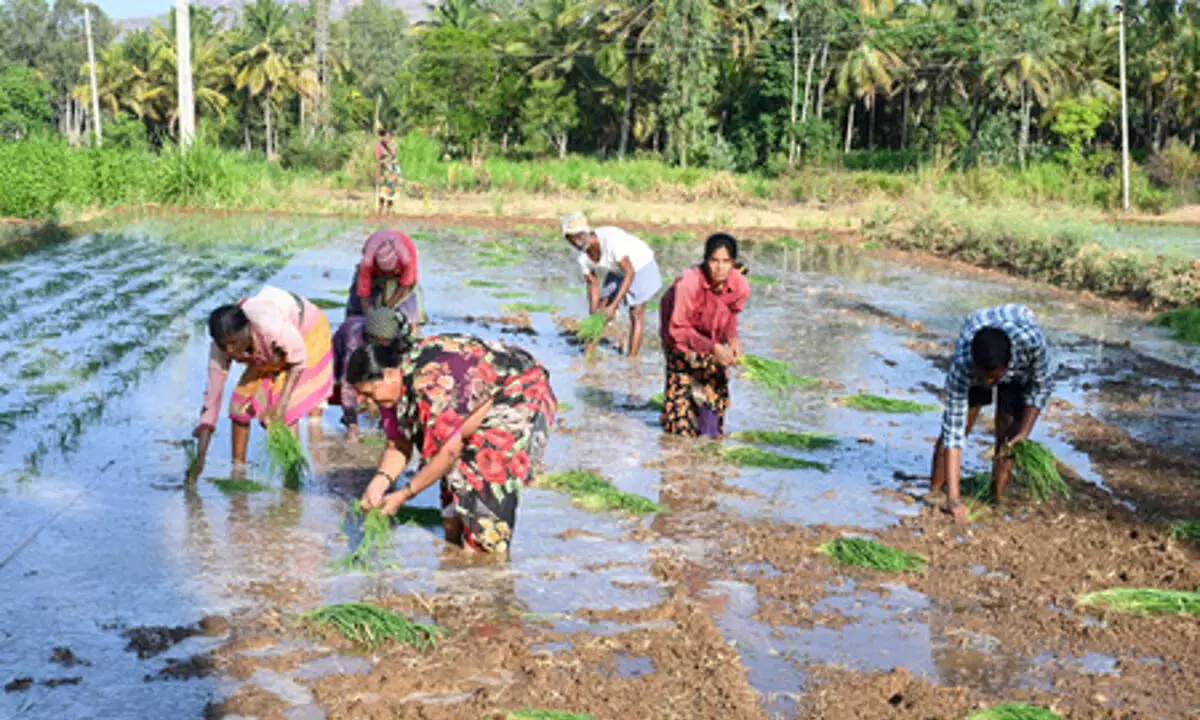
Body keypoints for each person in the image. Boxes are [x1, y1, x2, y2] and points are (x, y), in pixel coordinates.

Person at [348, 327, 557, 554]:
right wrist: (377, 485)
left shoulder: (429, 382)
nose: (366, 401)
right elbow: (399, 444)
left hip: (518, 388)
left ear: (388, 374)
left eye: (369, 393)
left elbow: (448, 452)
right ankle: (456, 554)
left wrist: (404, 494)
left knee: (484, 480)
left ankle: (485, 556)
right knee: (452, 516)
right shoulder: (390, 393)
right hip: (472, 401)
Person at [190, 286, 334, 480]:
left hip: (305, 334)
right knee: (239, 406)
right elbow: (212, 399)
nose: (231, 351)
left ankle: (291, 473)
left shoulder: (271, 327)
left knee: (283, 412)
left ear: (247, 330)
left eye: (234, 343)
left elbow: (298, 360)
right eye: (225, 346)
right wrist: (200, 457)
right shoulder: (220, 348)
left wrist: (283, 403)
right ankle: (238, 469)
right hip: (268, 353)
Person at [930, 304, 1053, 523]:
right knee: (965, 423)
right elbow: (953, 432)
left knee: (1008, 432)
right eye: (983, 376)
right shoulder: (964, 364)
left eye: (993, 378)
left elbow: (1040, 388)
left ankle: (996, 497)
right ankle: (936, 490)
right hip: (978, 328)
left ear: (1007, 366)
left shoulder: (1031, 345)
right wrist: (955, 499)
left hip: (1017, 346)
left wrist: (1024, 431)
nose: (988, 382)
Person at [658, 233, 750, 438]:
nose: (720, 267)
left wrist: (733, 339)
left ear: (733, 263)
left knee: (713, 401)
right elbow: (678, 329)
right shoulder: (689, 283)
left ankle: (707, 441)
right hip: (679, 337)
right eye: (714, 261)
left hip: (712, 338)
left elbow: (731, 318)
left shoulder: (740, 285)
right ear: (706, 260)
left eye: (726, 262)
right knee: (679, 422)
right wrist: (712, 348)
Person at [562, 211, 661, 358]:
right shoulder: (581, 255)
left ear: (588, 232)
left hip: (640, 264)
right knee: (600, 312)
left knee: (636, 312)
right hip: (617, 268)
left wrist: (614, 306)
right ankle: (587, 356)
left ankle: (631, 359)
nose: (577, 242)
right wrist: (594, 312)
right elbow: (592, 282)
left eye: (579, 236)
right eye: (572, 239)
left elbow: (630, 273)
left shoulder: (612, 242)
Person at [330, 308, 406, 442]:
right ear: (369, 336)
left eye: (386, 341)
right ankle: (349, 415)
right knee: (341, 380)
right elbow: (348, 383)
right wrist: (352, 425)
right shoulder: (353, 342)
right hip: (341, 345)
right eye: (378, 341)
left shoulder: (396, 336)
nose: (382, 344)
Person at [347, 228, 423, 327]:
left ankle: (413, 329)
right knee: (356, 306)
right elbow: (363, 292)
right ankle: (349, 326)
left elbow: (405, 285)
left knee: (408, 305)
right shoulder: (367, 261)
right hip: (374, 273)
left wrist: (388, 309)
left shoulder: (407, 259)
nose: (386, 275)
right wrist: (370, 316)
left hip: (399, 276)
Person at [375, 129, 403, 215]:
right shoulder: (379, 147)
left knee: (392, 192)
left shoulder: (394, 145)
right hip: (385, 171)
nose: (386, 138)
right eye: (385, 137)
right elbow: (378, 161)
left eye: (388, 137)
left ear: (391, 138)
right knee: (383, 192)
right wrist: (378, 174)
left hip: (393, 171)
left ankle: (389, 210)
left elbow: (393, 154)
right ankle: (380, 209)